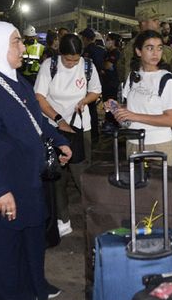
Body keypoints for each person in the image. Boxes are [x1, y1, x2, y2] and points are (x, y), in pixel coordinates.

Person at [0, 21, 72, 299]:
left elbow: (35, 120)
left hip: (23, 182)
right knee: (2, 258)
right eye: (16, 42)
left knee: (31, 242)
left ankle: (34, 287)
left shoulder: (15, 80)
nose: (23, 47)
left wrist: (59, 141)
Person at [35, 33, 102, 237]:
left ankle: (96, 217)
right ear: (60, 54)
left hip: (81, 128)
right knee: (57, 177)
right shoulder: (50, 66)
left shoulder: (87, 66)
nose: (72, 63)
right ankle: (63, 219)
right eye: (68, 59)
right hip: (54, 128)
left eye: (76, 59)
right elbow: (39, 97)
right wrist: (58, 119)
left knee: (82, 174)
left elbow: (96, 90)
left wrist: (85, 101)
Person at [107, 30, 172, 165]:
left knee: (156, 186)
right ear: (138, 51)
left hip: (158, 145)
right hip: (133, 142)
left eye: (159, 48)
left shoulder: (166, 80)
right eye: (150, 48)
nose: (155, 53)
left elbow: (170, 120)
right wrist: (116, 107)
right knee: (134, 185)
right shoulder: (133, 76)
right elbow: (129, 109)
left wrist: (134, 116)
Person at [117, 8, 172, 83]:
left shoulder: (163, 45)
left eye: (158, 20)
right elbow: (127, 76)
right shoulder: (132, 47)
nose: (158, 23)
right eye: (154, 20)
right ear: (143, 23)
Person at [79, 28, 106, 143]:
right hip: (99, 82)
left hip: (89, 83)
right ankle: (95, 133)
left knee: (89, 108)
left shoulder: (88, 50)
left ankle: (92, 133)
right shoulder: (101, 49)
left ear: (85, 38)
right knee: (93, 108)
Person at [102, 33, 122, 133]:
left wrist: (103, 66)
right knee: (107, 105)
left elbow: (107, 65)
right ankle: (110, 123)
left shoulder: (115, 53)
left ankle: (114, 125)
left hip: (113, 84)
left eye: (108, 39)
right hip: (107, 83)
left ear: (113, 41)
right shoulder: (107, 53)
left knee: (113, 104)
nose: (106, 41)